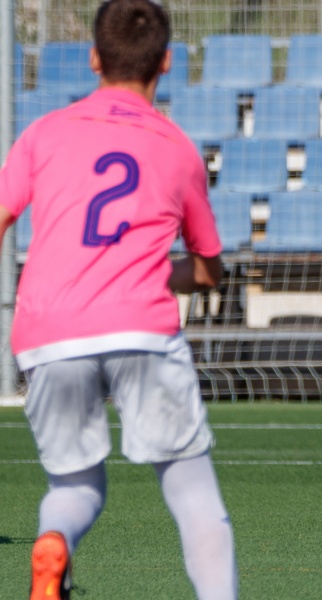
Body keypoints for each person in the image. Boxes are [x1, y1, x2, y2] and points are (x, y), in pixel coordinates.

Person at [0, 1, 238, 598]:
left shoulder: (43, 134)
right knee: (191, 491)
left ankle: (54, 542)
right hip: (142, 330)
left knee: (76, 486)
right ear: (165, 62)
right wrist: (166, 274)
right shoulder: (177, 147)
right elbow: (210, 270)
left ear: (92, 58)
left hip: (49, 330)